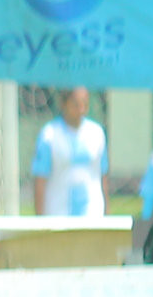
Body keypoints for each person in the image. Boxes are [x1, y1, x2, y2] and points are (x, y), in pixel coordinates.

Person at [33, 87, 109, 218]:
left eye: (85, 104)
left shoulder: (97, 133)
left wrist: (107, 213)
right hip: (57, 215)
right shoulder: (49, 135)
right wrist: (40, 218)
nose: (81, 109)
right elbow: (40, 180)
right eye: (75, 104)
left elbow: (103, 176)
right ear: (63, 104)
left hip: (92, 214)